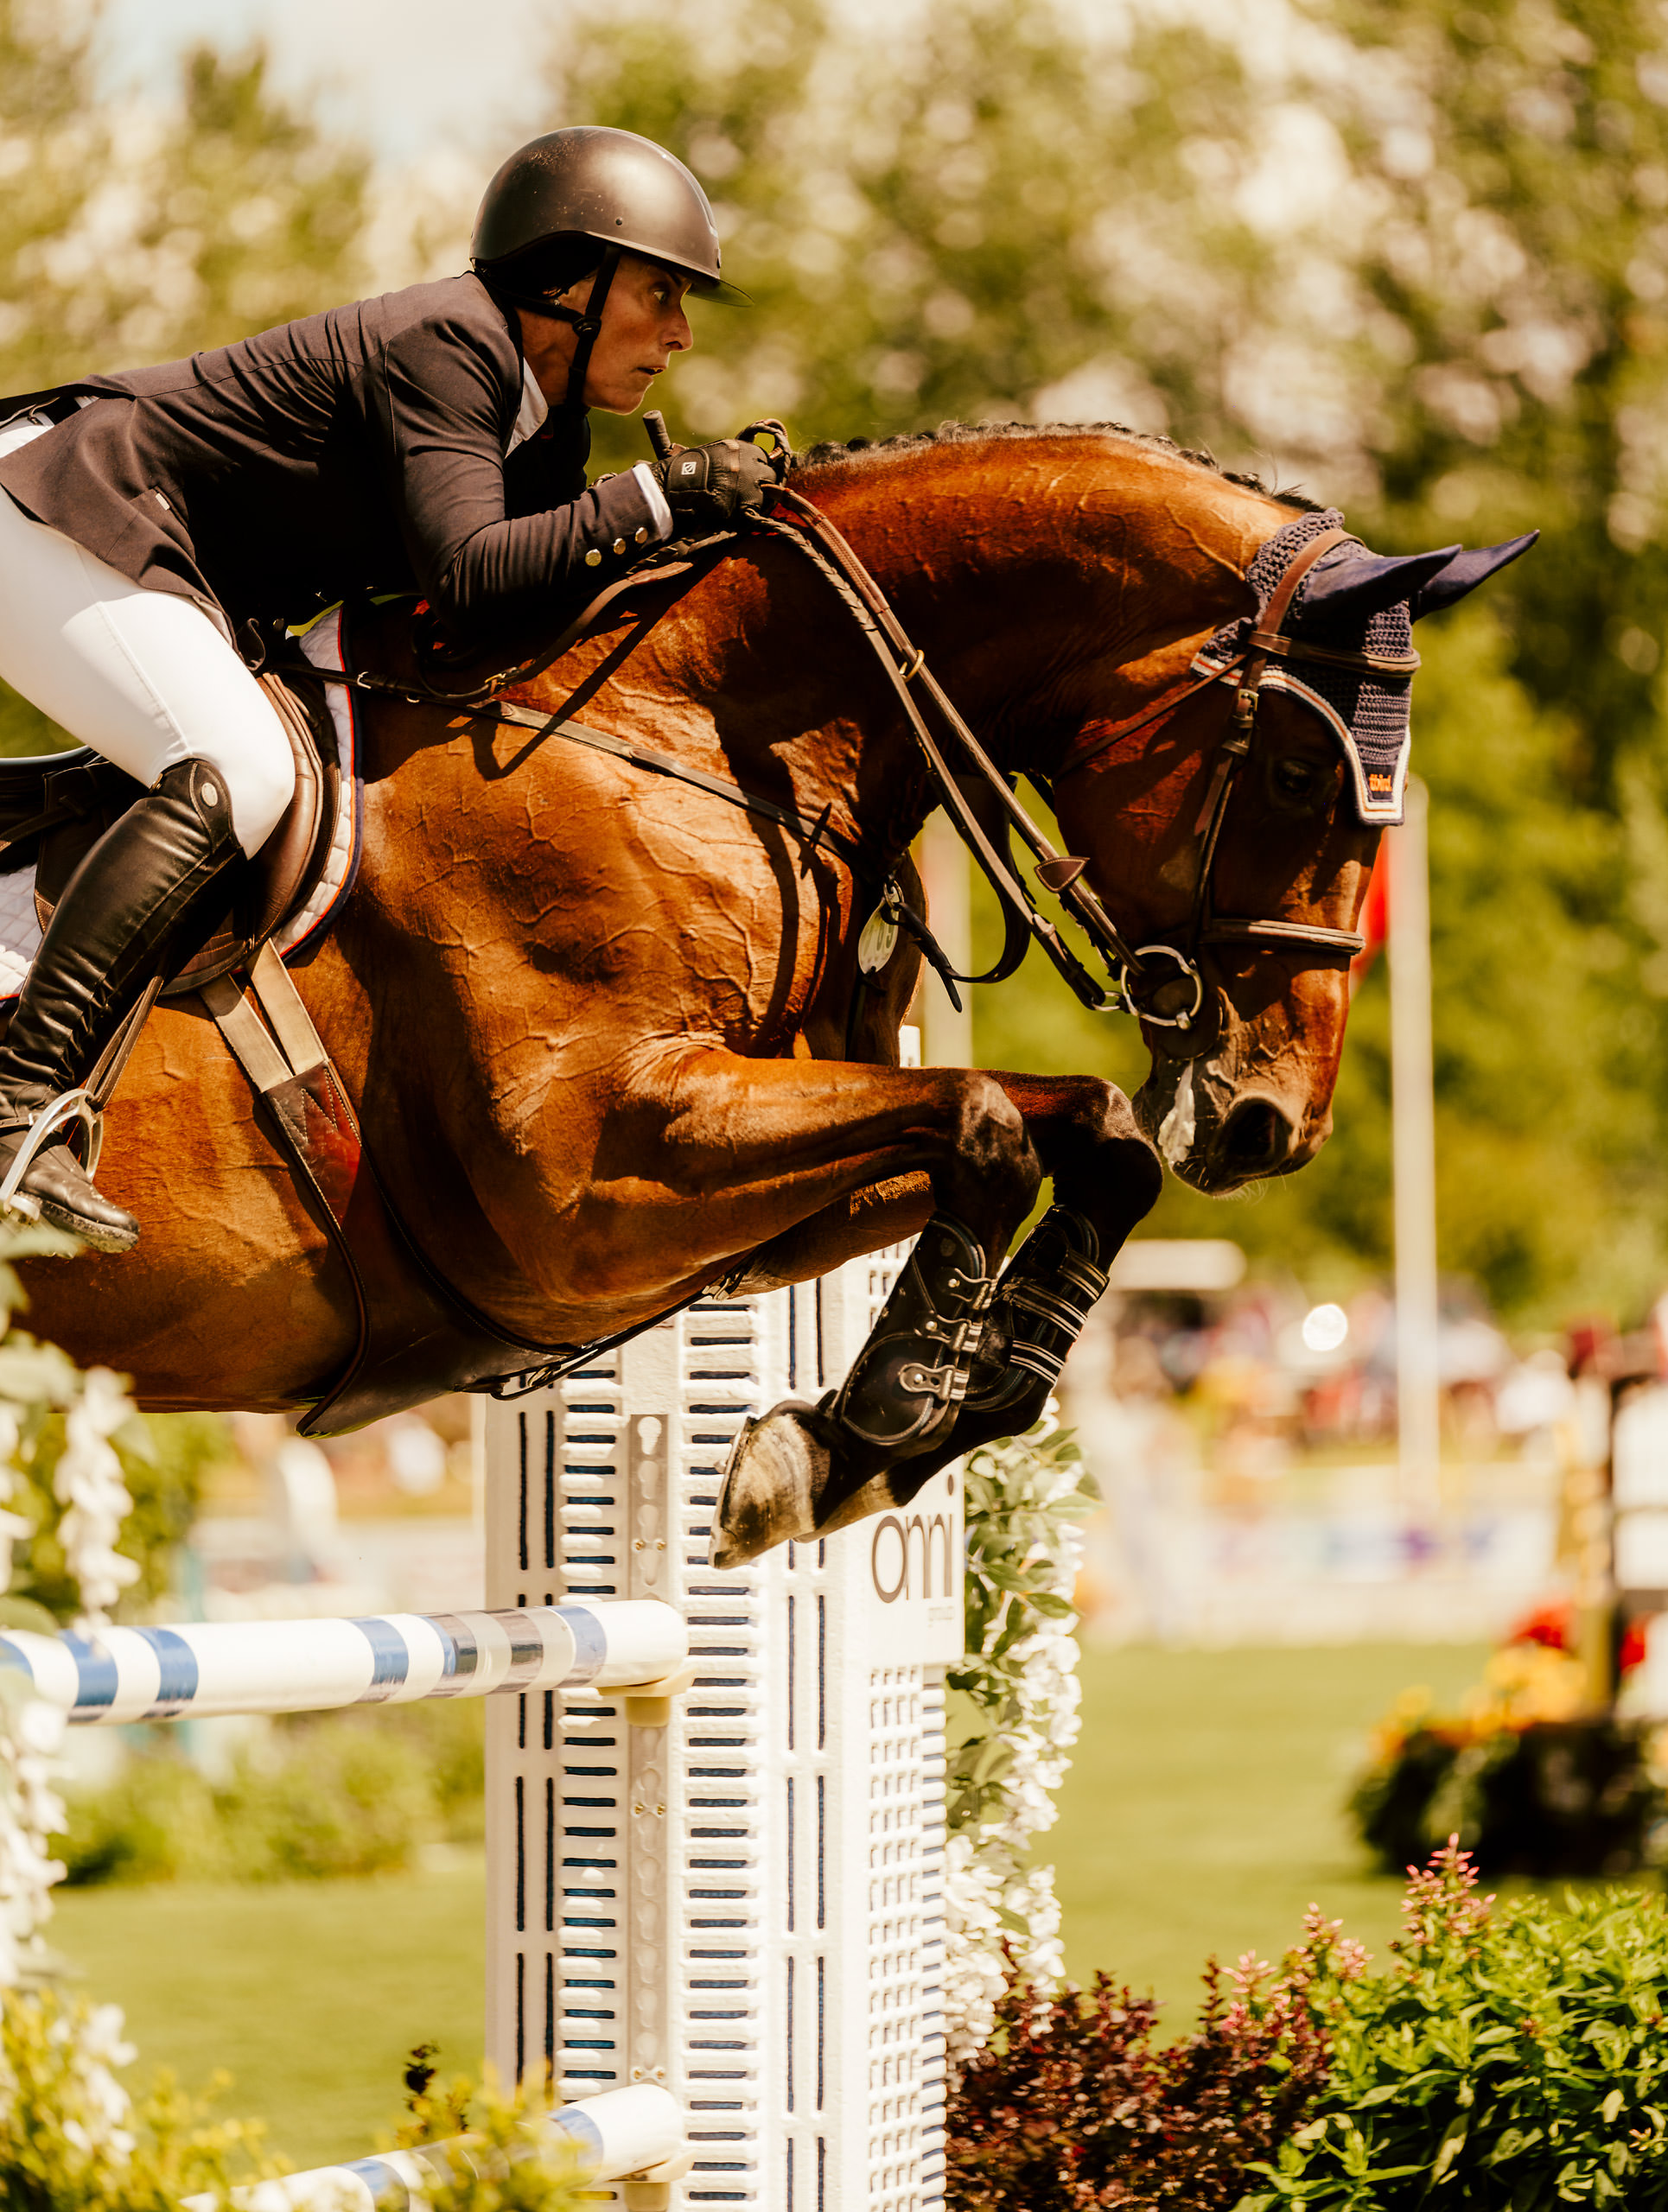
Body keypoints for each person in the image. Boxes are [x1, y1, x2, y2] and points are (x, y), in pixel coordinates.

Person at [0, 125, 774, 1253]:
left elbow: (508, 614)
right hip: (60, 508)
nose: (679, 333)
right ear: (569, 279)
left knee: (230, 755)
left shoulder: (546, 425)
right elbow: (466, 577)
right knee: (241, 768)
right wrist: (657, 499)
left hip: (146, 554)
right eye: (658, 293)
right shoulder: (450, 344)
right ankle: (18, 1112)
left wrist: (681, 538)